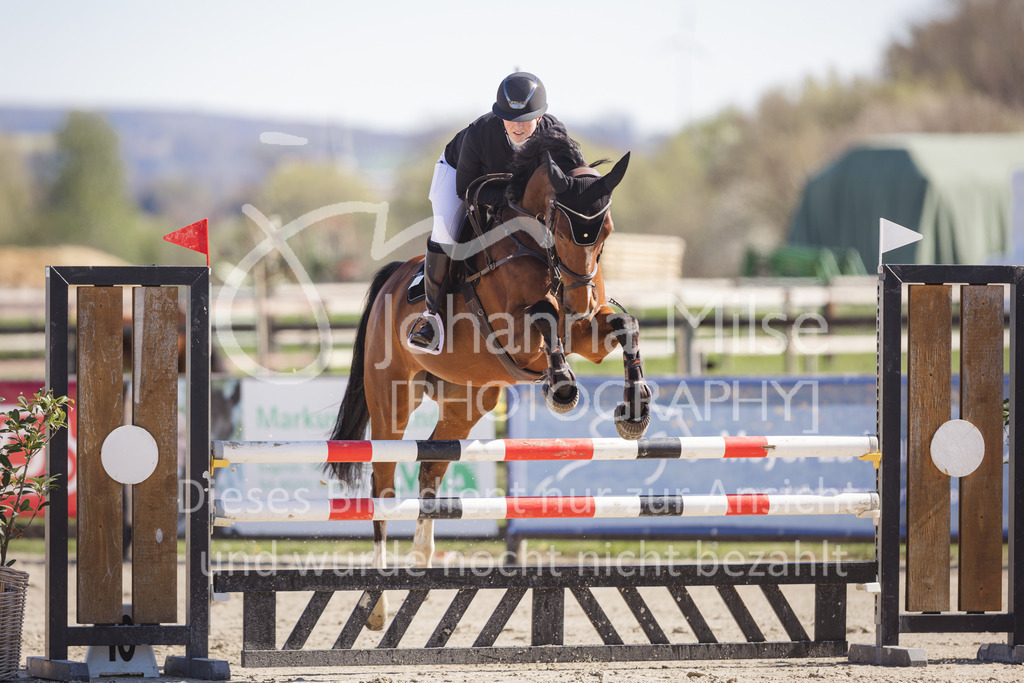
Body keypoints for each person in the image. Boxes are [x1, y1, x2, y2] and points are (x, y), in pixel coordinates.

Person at [407, 71, 567, 353]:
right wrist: (511, 196)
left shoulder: (554, 136)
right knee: (446, 231)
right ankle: (431, 318)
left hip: (511, 188)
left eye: (525, 119)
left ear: (540, 117)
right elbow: (465, 189)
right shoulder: (479, 134)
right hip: (459, 175)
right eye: (510, 118)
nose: (517, 126)